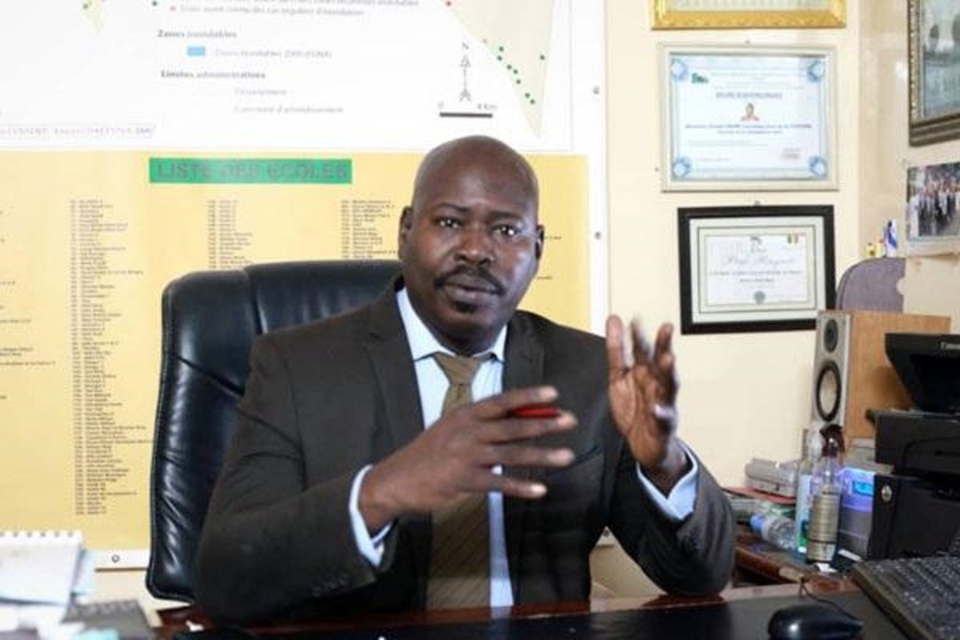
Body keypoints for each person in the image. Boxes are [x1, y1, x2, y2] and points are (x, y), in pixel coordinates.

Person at [194, 135, 735, 625]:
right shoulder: (297, 367)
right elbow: (225, 580)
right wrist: (380, 492)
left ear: (537, 249)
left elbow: (700, 578)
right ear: (406, 231)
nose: (476, 250)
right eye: (451, 222)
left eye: (506, 229)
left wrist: (664, 464)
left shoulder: (592, 374)